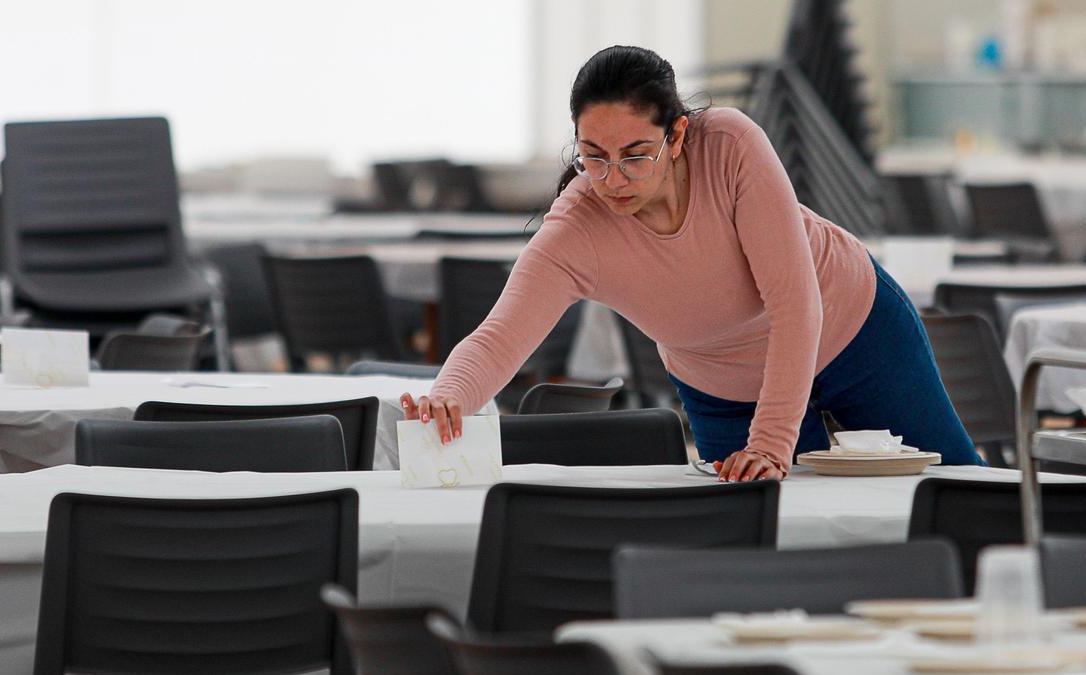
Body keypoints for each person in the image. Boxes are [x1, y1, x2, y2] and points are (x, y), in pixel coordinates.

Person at [400, 45, 982, 480]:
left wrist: (773, 443)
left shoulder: (728, 145)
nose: (613, 179)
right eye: (593, 157)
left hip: (853, 328)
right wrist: (449, 394)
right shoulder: (576, 227)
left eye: (635, 155)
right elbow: (500, 337)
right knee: (756, 531)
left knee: (954, 491)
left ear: (677, 135)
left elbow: (794, 302)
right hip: (724, 386)